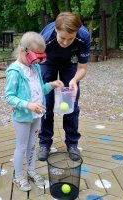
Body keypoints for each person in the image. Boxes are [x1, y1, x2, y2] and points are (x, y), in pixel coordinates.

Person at [5, 32, 64, 192]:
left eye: (41, 58)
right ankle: (18, 176)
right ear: (23, 51)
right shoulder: (14, 71)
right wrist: (27, 105)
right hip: (23, 117)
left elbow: (39, 90)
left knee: (32, 145)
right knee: (22, 146)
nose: (38, 62)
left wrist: (51, 85)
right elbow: (9, 97)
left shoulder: (35, 67)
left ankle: (31, 171)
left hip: (37, 115)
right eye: (35, 58)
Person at [38, 12, 91, 162]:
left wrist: (74, 80)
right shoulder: (45, 38)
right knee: (45, 102)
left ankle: (72, 143)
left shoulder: (84, 36)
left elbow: (82, 68)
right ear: (56, 30)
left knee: (70, 103)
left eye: (70, 38)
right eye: (62, 38)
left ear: (76, 33)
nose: (66, 42)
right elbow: (34, 64)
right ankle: (44, 143)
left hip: (70, 64)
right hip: (48, 61)